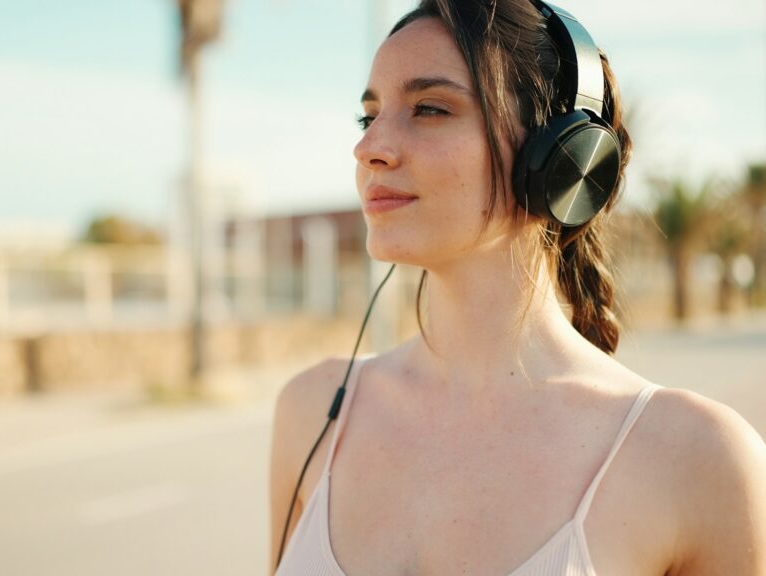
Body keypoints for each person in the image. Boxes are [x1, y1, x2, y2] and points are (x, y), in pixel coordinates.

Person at [268, 0, 766, 574]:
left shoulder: (697, 458)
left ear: (556, 157)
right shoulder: (314, 413)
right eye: (368, 116)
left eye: (429, 108)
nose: (369, 147)